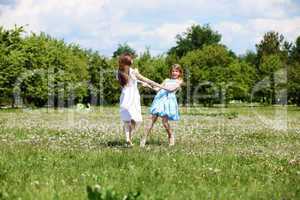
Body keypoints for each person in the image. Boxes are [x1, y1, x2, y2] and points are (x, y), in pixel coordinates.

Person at [117, 53, 168, 146]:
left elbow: (131, 82)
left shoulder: (119, 72)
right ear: (128, 62)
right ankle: (129, 138)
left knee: (127, 120)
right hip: (133, 98)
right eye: (131, 59)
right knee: (137, 120)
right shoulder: (133, 72)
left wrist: (141, 82)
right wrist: (161, 86)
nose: (133, 61)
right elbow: (147, 80)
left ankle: (128, 139)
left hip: (125, 97)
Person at [140, 64, 183, 147]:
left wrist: (157, 85)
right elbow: (157, 89)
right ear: (171, 72)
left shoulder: (179, 81)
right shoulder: (166, 80)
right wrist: (148, 85)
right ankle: (144, 138)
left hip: (168, 102)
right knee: (151, 120)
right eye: (173, 71)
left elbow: (171, 89)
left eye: (176, 71)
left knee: (164, 122)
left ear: (179, 73)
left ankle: (171, 135)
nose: (174, 73)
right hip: (159, 100)